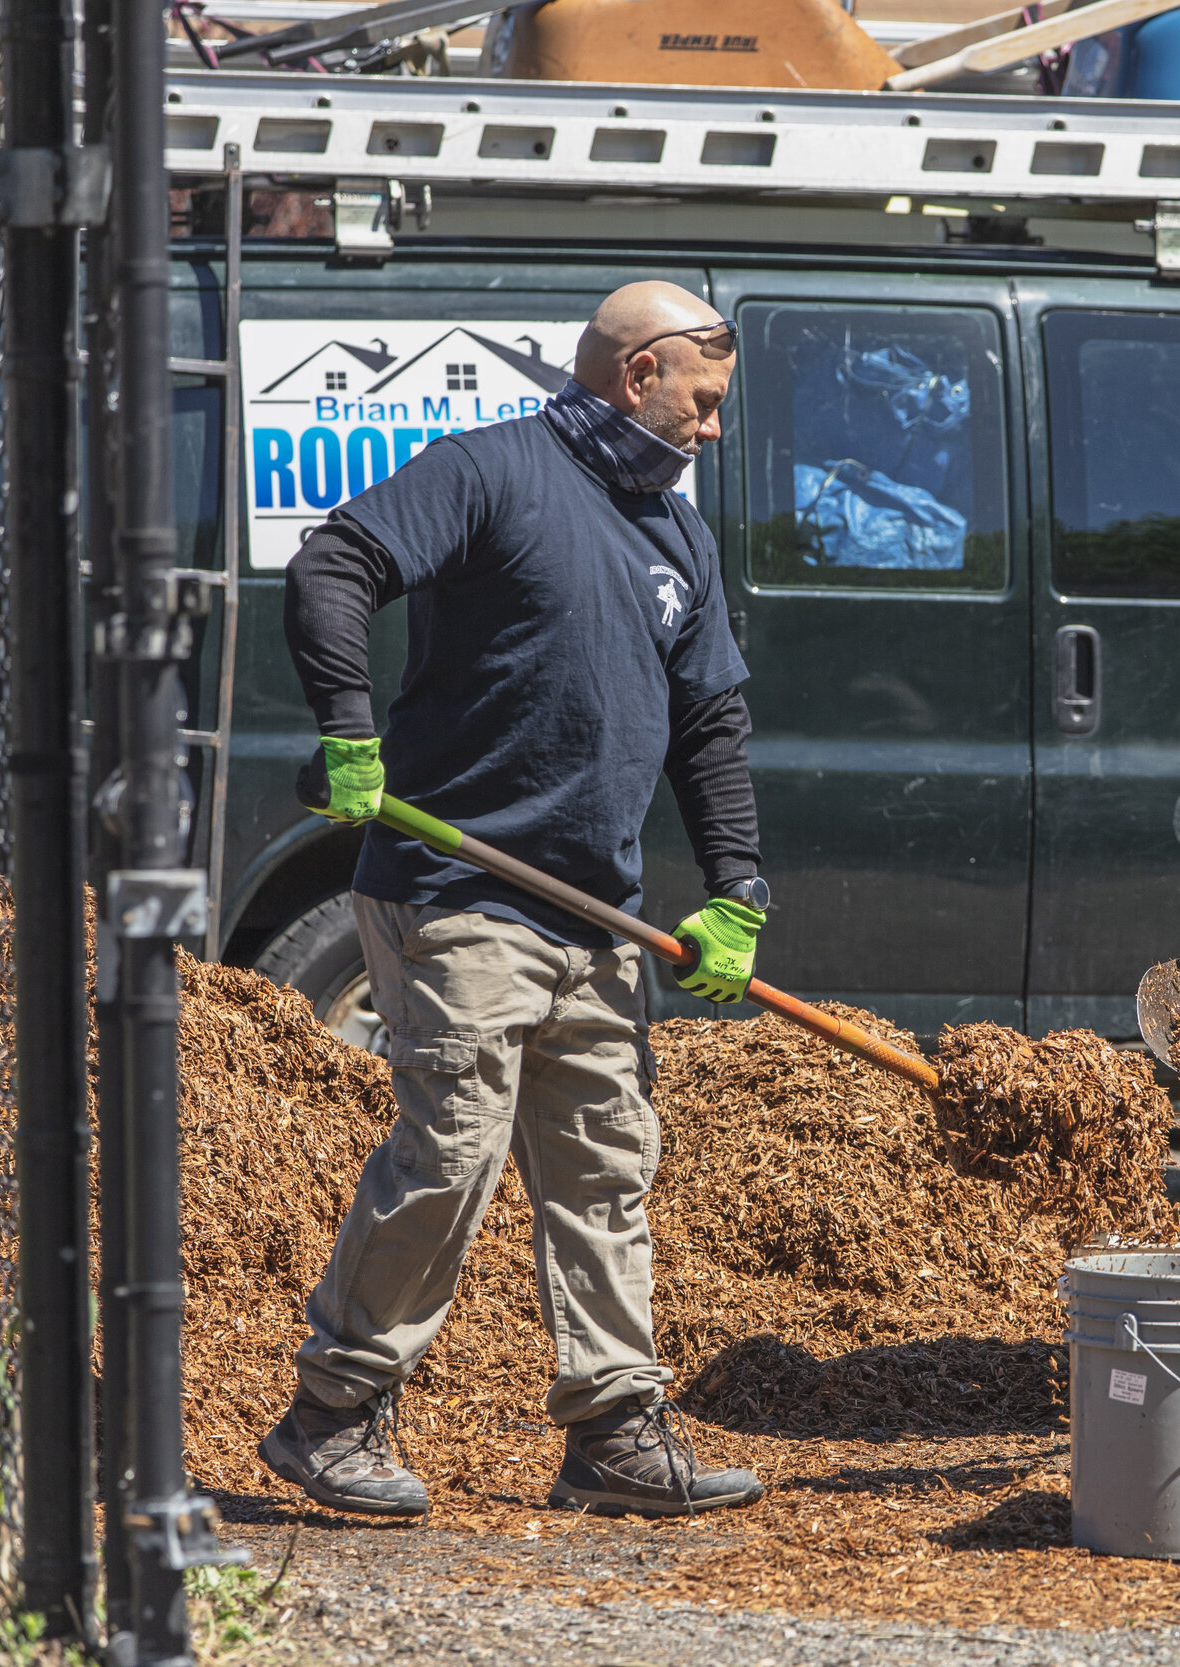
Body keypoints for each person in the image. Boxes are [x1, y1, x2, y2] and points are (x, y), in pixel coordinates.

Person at [256, 281, 772, 1520]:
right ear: (638, 372)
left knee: (604, 1165)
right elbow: (337, 560)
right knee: (451, 1153)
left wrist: (738, 887)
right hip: (460, 885)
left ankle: (611, 1429)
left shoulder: (676, 535)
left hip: (597, 910)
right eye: (701, 404)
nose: (710, 431)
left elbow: (709, 722)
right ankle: (330, 1414)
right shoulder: (490, 471)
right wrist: (346, 726)